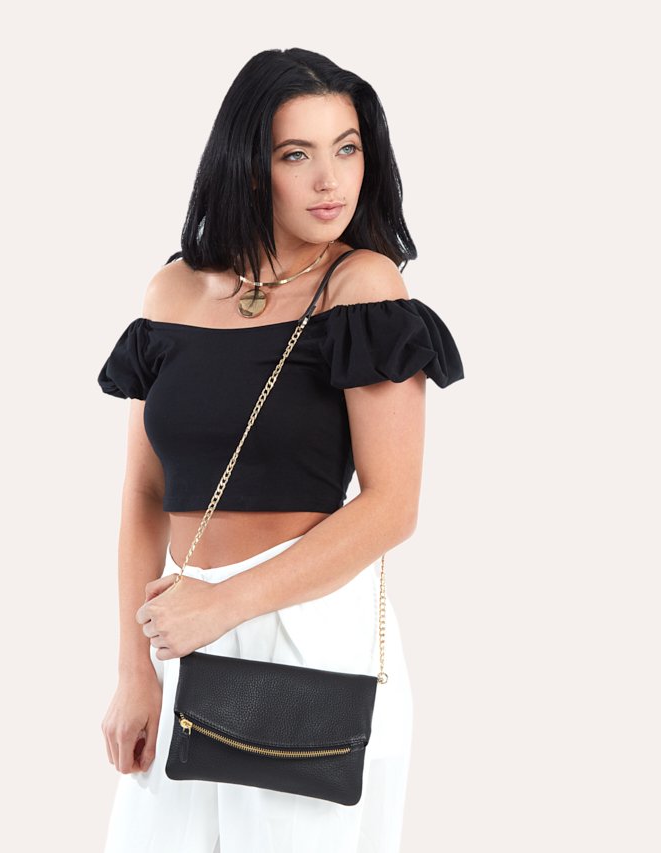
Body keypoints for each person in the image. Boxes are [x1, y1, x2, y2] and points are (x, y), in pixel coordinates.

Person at [95, 47, 465, 853]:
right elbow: (143, 493)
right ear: (250, 167)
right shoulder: (173, 292)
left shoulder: (364, 288)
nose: (331, 180)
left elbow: (392, 506)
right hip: (180, 631)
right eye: (297, 154)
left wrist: (223, 603)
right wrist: (134, 667)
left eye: (347, 148)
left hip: (304, 638)